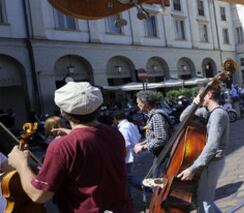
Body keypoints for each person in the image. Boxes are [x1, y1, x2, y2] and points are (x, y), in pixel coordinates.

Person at [7, 81, 133, 212]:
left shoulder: (62, 146)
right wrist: (73, 136)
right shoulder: (114, 133)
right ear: (98, 107)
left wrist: (21, 164)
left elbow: (39, 195)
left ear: (63, 112)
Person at [177, 87, 229, 213]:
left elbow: (212, 145)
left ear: (209, 94)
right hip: (209, 163)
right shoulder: (208, 112)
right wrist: (195, 103)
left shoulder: (218, 114)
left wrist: (193, 168)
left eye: (200, 94)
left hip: (212, 162)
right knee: (203, 201)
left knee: (205, 203)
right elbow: (183, 118)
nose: (198, 96)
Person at [134, 90, 172, 177]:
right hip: (161, 156)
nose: (137, 105)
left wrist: (143, 147)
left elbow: (161, 139)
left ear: (144, 103)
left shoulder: (156, 116)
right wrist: (143, 142)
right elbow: (155, 134)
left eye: (138, 102)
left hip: (163, 156)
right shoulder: (152, 115)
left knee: (158, 184)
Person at [111, 110, 141, 201]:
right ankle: (128, 198)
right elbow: (139, 136)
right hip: (134, 154)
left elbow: (125, 144)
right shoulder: (131, 124)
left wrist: (119, 157)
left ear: (115, 119)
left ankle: (148, 188)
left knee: (127, 177)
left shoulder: (123, 128)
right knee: (126, 178)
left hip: (127, 157)